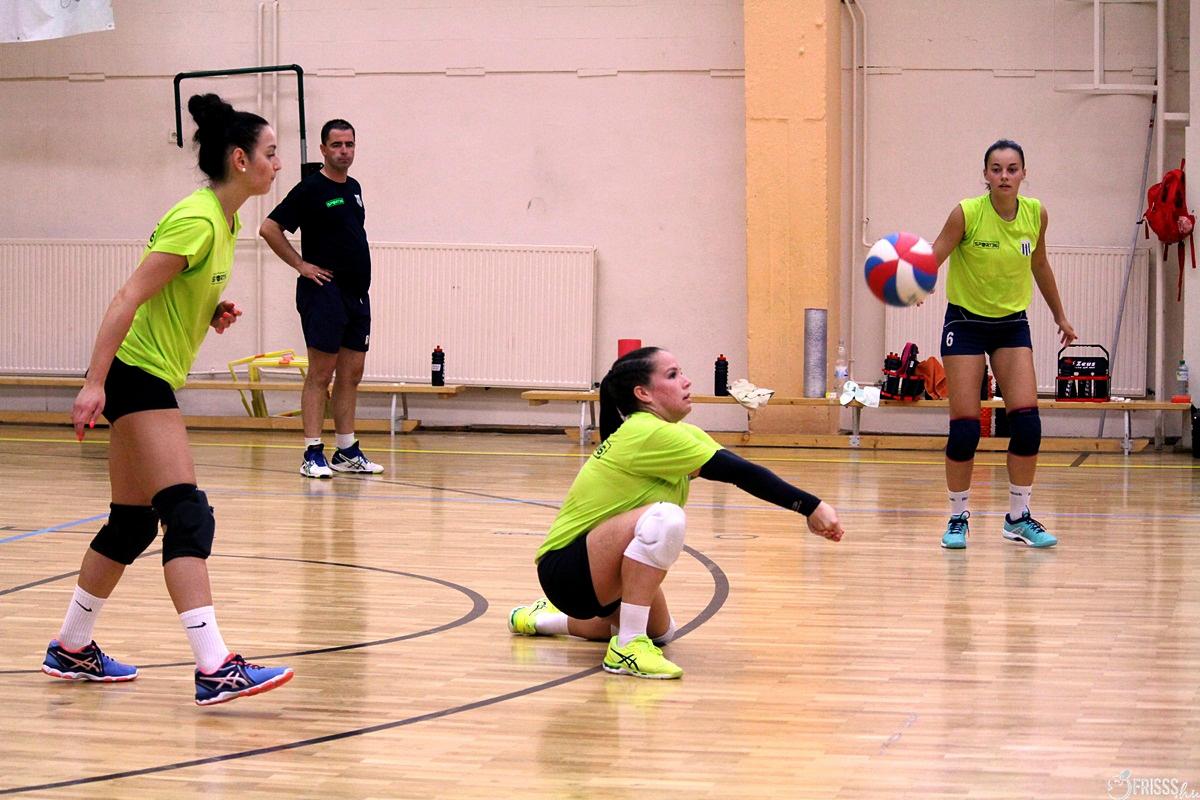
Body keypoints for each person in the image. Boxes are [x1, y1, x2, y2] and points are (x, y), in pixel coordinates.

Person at [45, 94, 294, 705]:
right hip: (135, 374)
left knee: (132, 523)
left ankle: (71, 647)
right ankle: (215, 666)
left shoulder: (226, 222)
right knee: (187, 515)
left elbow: (170, 293)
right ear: (240, 160)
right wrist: (94, 383)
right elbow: (127, 297)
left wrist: (208, 311)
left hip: (142, 372)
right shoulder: (199, 219)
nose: (278, 163)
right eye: (270, 153)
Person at [507, 347, 844, 679]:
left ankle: (540, 620)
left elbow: (736, 468)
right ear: (643, 393)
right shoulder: (647, 432)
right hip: (567, 569)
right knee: (665, 517)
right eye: (672, 375)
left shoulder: (677, 433)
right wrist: (811, 507)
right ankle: (627, 648)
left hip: (598, 569)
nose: (686, 381)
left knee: (660, 634)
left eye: (681, 372)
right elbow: (742, 474)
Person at [929, 138, 1077, 550]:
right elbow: (935, 253)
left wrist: (1060, 315)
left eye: (1012, 169)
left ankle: (1018, 517)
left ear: (1024, 173)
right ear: (986, 175)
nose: (1004, 176)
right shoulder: (967, 213)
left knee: (1027, 425)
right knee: (965, 429)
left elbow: (1039, 263)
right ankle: (957, 517)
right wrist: (917, 283)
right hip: (965, 323)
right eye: (996, 169)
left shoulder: (1035, 213)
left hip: (1011, 325)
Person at [259, 119, 383, 478]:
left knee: (351, 374)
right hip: (324, 293)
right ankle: (312, 452)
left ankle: (346, 450)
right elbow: (269, 228)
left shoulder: (354, 187)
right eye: (337, 145)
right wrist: (301, 265)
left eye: (349, 144)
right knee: (321, 373)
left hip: (357, 294)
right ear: (323, 149)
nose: (344, 151)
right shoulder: (311, 188)